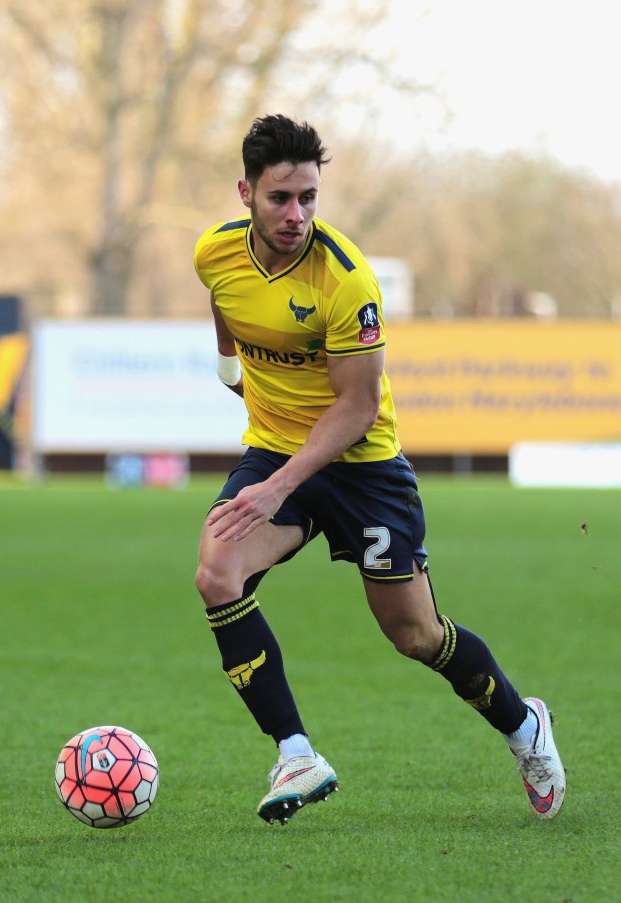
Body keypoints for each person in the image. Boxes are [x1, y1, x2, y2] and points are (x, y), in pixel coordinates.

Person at [193, 114, 566, 826]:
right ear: (246, 192)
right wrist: (225, 365)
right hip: (276, 449)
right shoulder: (214, 252)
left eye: (308, 197)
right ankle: (295, 751)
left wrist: (276, 487)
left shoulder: (347, 281)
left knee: (414, 636)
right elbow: (224, 298)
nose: (296, 214)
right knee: (216, 572)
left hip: (362, 469)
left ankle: (526, 728)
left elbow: (357, 409)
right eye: (280, 198)